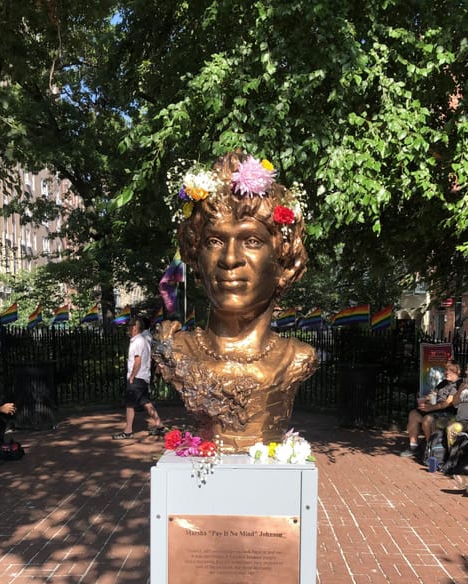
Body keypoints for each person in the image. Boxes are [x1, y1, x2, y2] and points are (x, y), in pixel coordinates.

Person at [152, 150, 318, 452]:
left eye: (252, 241)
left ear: (283, 260)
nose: (230, 259)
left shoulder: (297, 358)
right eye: (214, 241)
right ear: (195, 258)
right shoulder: (175, 349)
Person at [112, 317, 165, 440]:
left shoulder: (137, 341)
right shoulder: (144, 340)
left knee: (129, 405)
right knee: (146, 402)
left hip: (137, 377)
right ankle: (159, 425)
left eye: (129, 326)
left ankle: (128, 431)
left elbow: (138, 360)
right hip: (143, 377)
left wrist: (132, 376)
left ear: (135, 328)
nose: (128, 329)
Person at [400, 360, 461, 457]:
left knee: (427, 420)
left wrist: (429, 408)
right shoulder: (444, 382)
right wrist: (424, 399)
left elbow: (447, 403)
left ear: (457, 371)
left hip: (447, 413)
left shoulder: (458, 384)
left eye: (450, 370)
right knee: (413, 414)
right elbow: (433, 394)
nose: (447, 372)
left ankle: (430, 448)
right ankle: (413, 447)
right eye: (446, 370)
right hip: (435, 409)